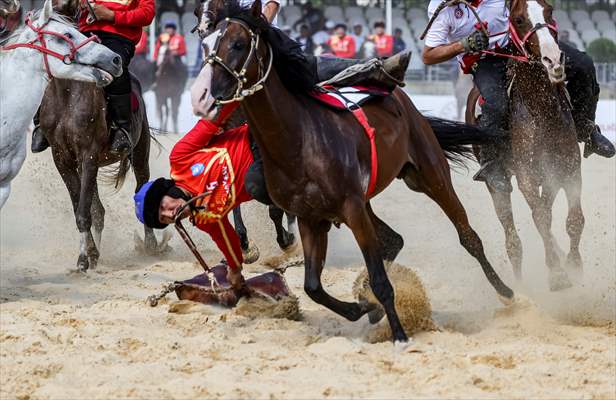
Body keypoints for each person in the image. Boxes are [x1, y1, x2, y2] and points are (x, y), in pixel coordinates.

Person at [422, 0, 614, 192]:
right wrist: (463, 45)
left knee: (583, 65)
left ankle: (586, 129)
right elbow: (428, 55)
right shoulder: (443, 8)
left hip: (522, 42)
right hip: (484, 58)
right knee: (495, 103)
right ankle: (492, 163)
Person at [134, 108, 257, 291]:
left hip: (258, 137)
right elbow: (227, 239)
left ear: (165, 192)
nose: (170, 214)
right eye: (163, 219)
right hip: (270, 184)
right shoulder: (204, 220)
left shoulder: (180, 157)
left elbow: (213, 119)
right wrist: (235, 268)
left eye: (163, 206)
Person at [30, 0, 155, 157]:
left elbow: (147, 14)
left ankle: (123, 129)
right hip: (83, 35)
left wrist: (112, 16)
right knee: (55, 64)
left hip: (118, 38)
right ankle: (41, 123)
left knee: (116, 72)